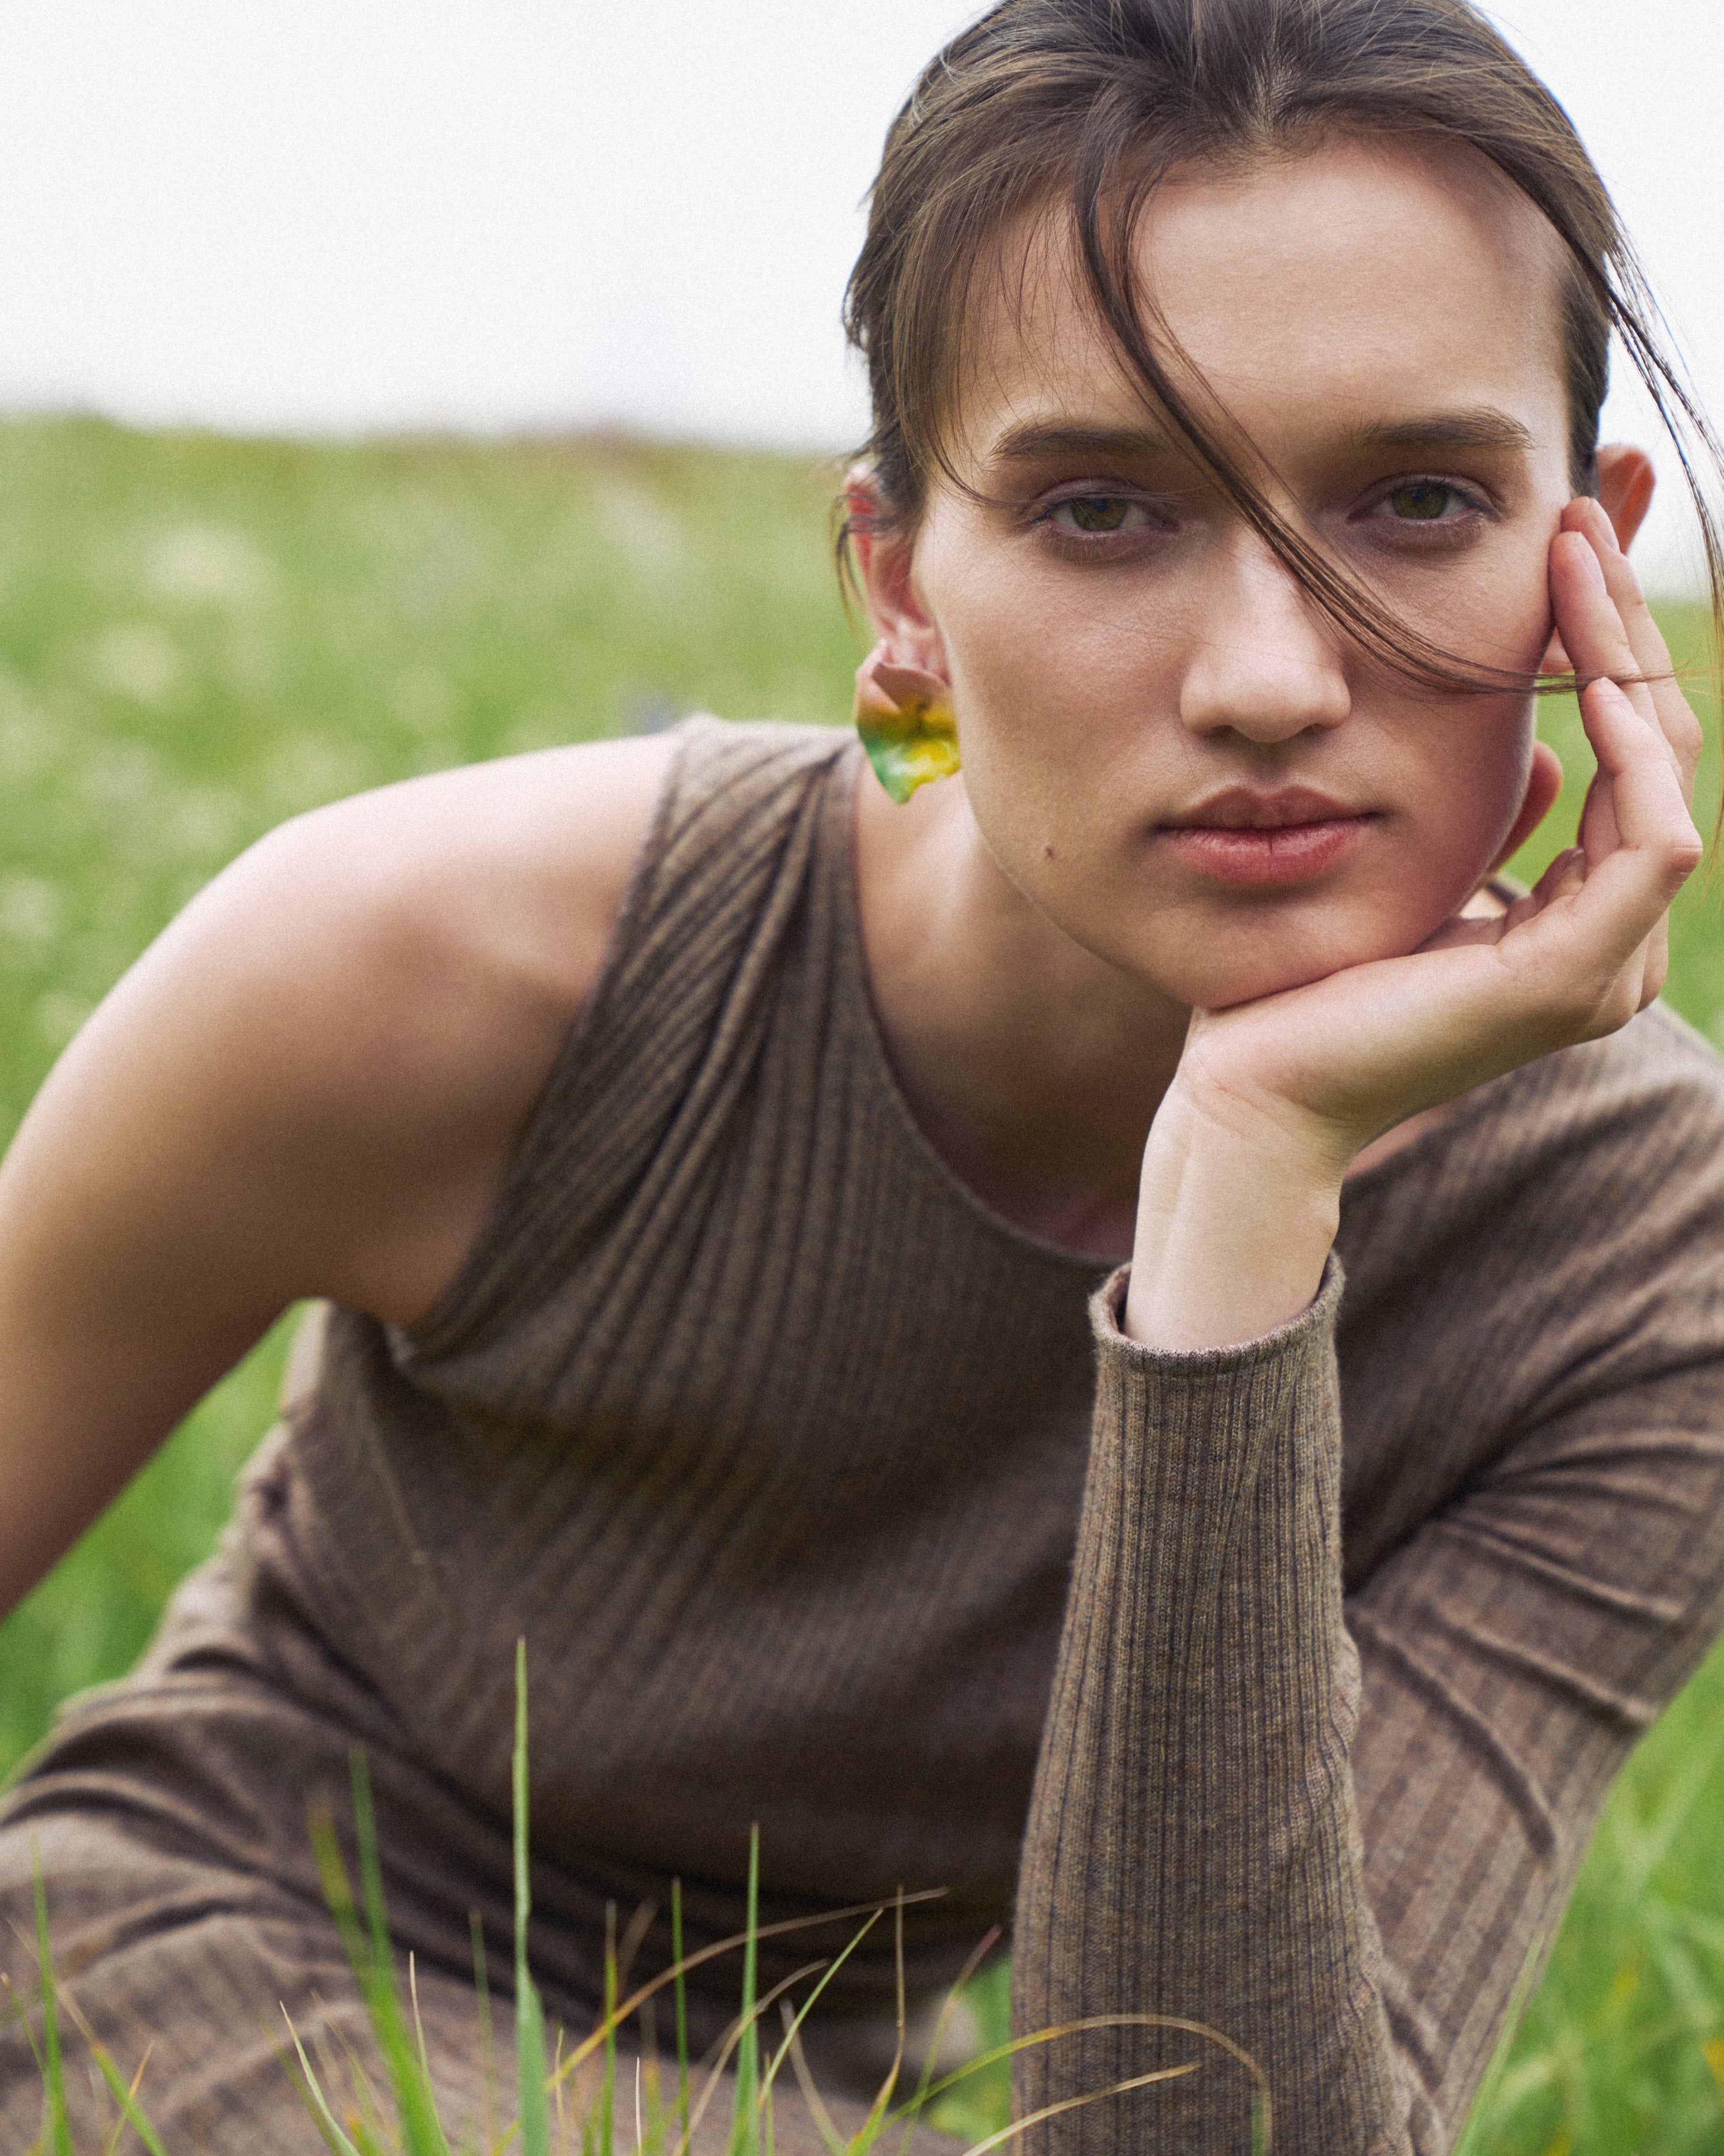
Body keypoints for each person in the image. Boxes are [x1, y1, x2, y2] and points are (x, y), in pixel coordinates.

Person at [2, 0, 1722, 2148]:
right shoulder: (439, 963)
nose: (1270, 677)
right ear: (902, 584)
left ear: (1594, 549)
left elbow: (1218, 2132)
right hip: (200, 1987)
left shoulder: (1647, 1259)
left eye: (1417, 501)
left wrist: (1246, 1176)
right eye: (1102, 508)